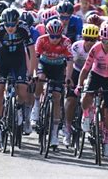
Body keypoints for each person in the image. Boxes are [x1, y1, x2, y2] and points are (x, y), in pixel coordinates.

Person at [0, 8, 36, 142]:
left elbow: (32, 52)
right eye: (7, 25)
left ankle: (20, 110)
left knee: (22, 90)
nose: (10, 28)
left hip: (19, 59)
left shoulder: (24, 28)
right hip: (3, 60)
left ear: (17, 22)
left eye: (12, 25)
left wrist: (31, 73)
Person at [76, 23, 108, 157]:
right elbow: (86, 68)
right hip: (96, 74)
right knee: (86, 96)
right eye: (105, 41)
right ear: (100, 39)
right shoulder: (95, 49)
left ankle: (107, 141)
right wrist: (79, 85)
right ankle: (86, 116)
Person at [32, 19, 74, 147]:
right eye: (52, 36)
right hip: (44, 65)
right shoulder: (41, 40)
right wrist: (35, 74)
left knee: (57, 97)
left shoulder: (66, 42)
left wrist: (68, 77)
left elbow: (70, 62)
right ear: (47, 33)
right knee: (40, 77)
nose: (55, 39)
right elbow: (35, 58)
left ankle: (54, 133)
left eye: (57, 36)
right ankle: (37, 104)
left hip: (58, 69)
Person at [63, 24, 99, 146]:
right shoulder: (76, 47)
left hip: (92, 73)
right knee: (71, 100)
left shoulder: (98, 48)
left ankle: (92, 122)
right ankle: (67, 128)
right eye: (87, 39)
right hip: (76, 71)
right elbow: (69, 63)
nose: (90, 42)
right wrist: (68, 79)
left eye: (93, 40)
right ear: (83, 38)